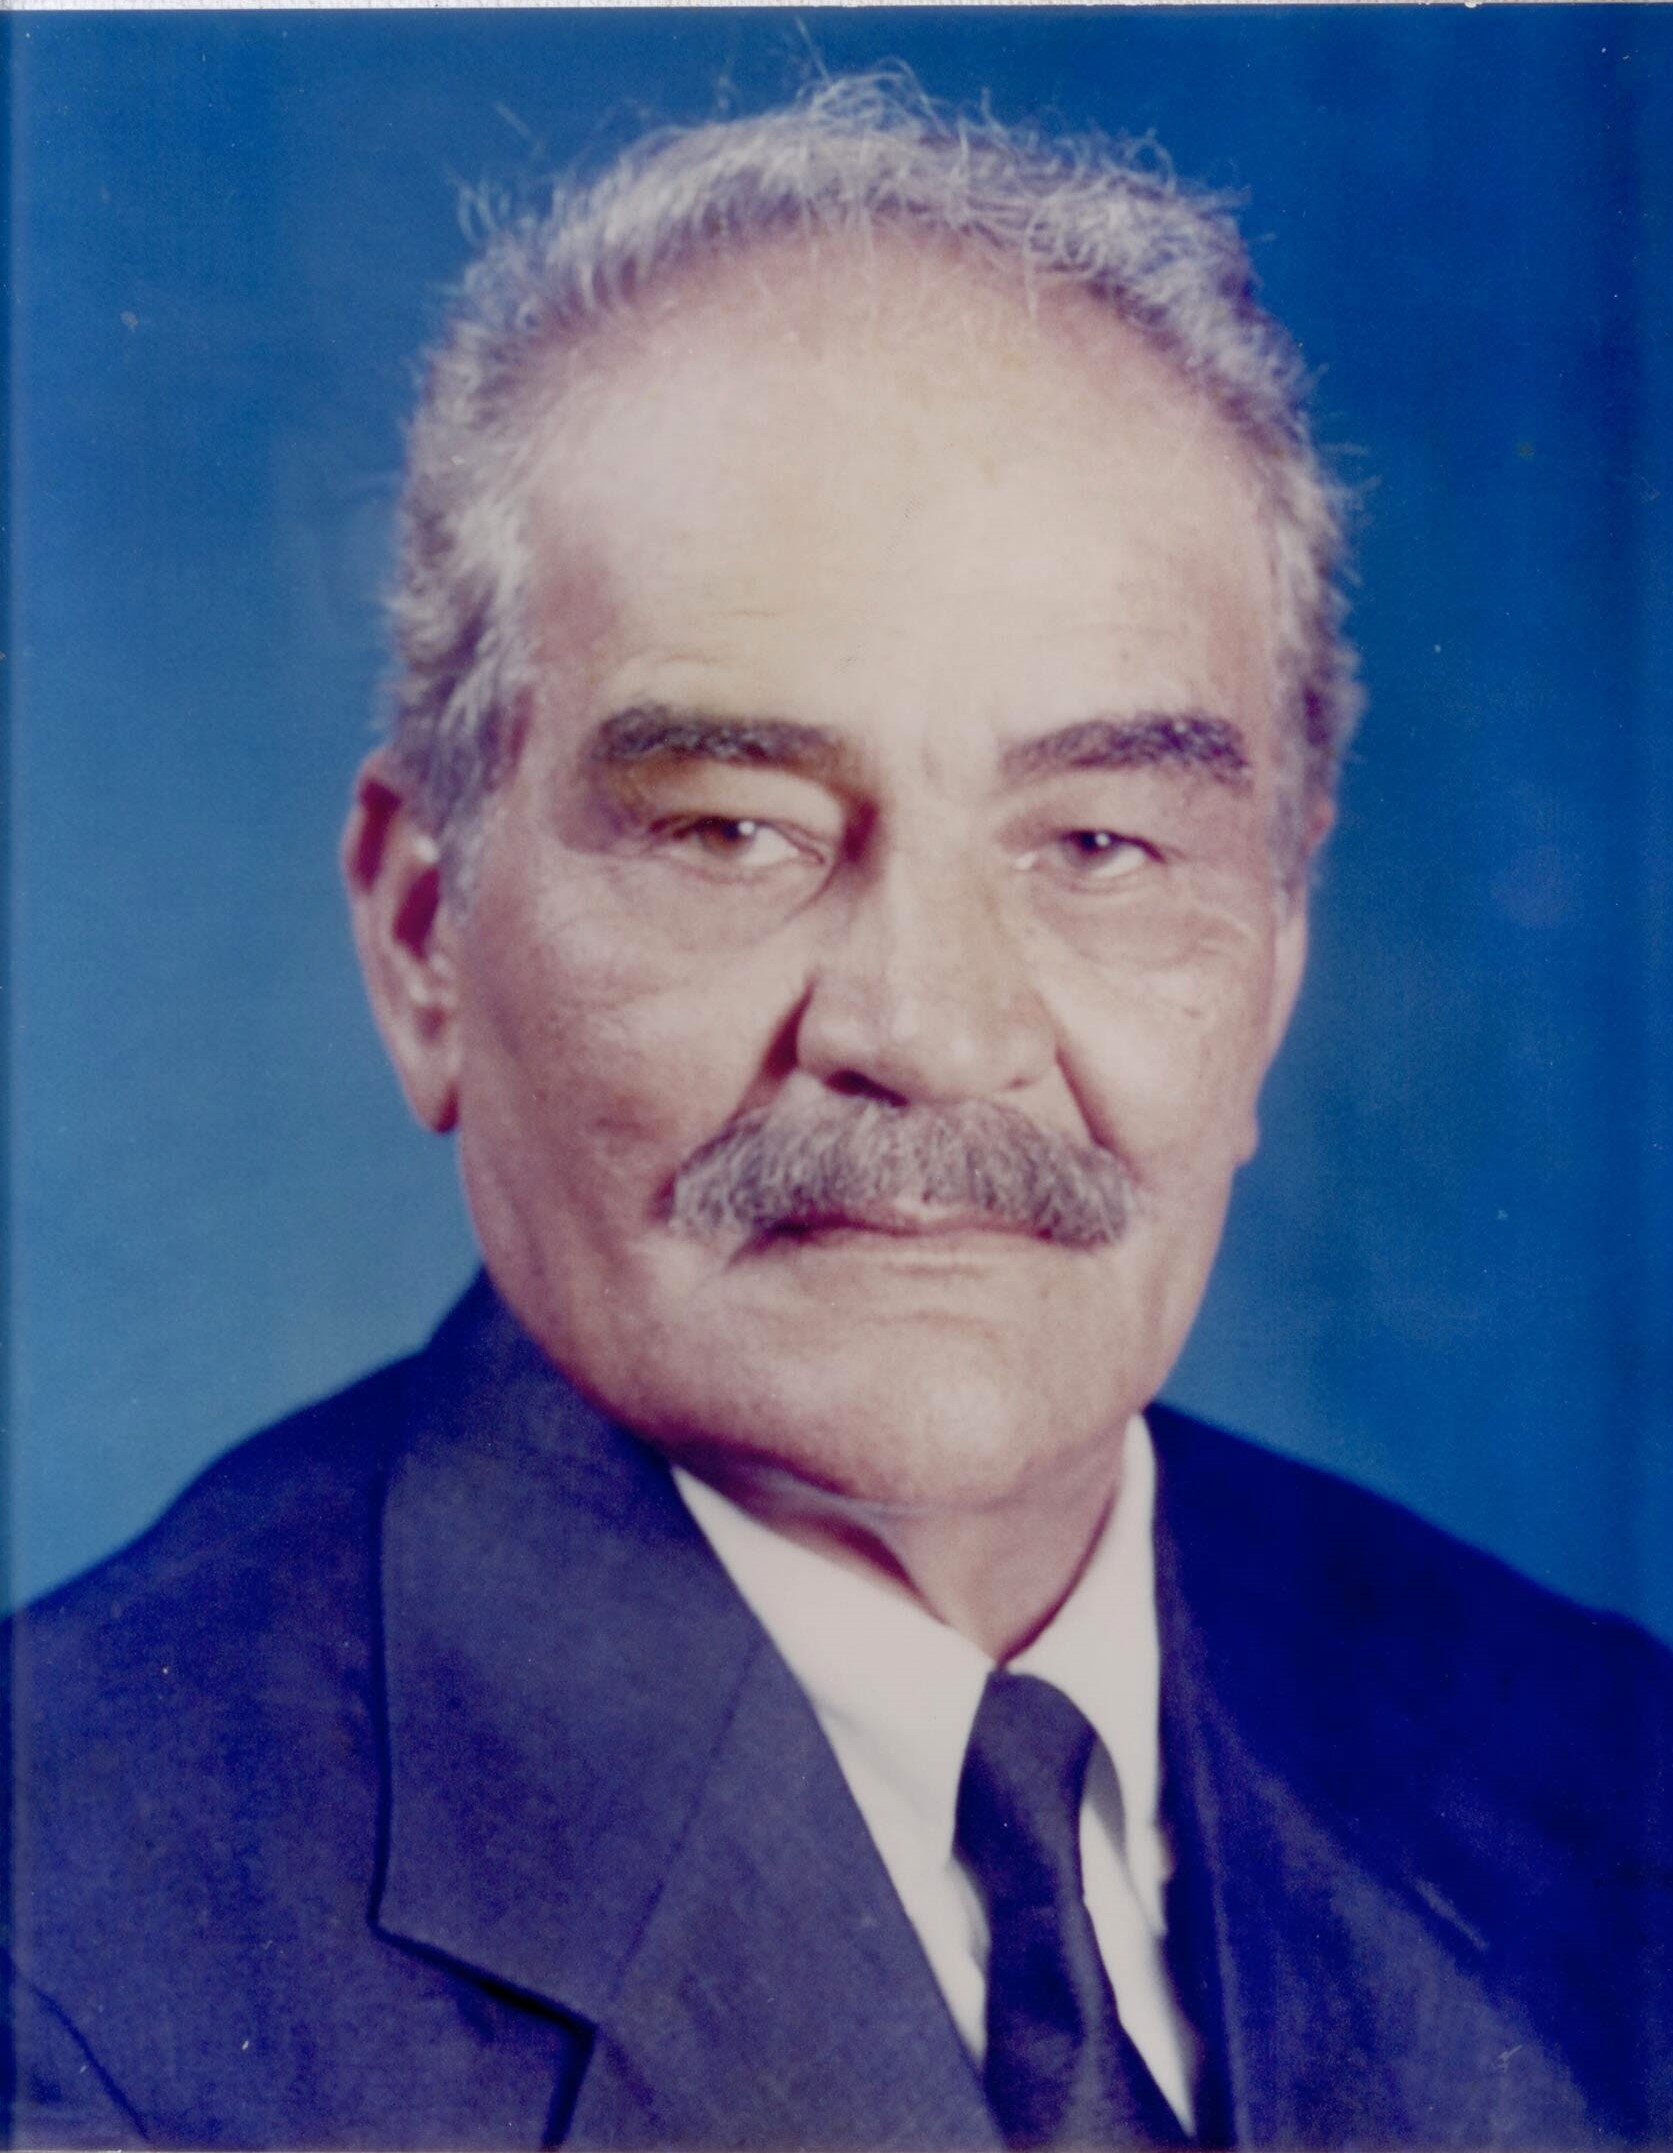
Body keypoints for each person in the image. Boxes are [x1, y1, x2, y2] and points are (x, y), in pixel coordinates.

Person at [6, 75, 1670, 2151]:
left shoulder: (1609, 1778)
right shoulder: (70, 1973)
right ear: (425, 939)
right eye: (735, 830)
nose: (934, 1030)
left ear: (1272, 956)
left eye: (1099, 844)